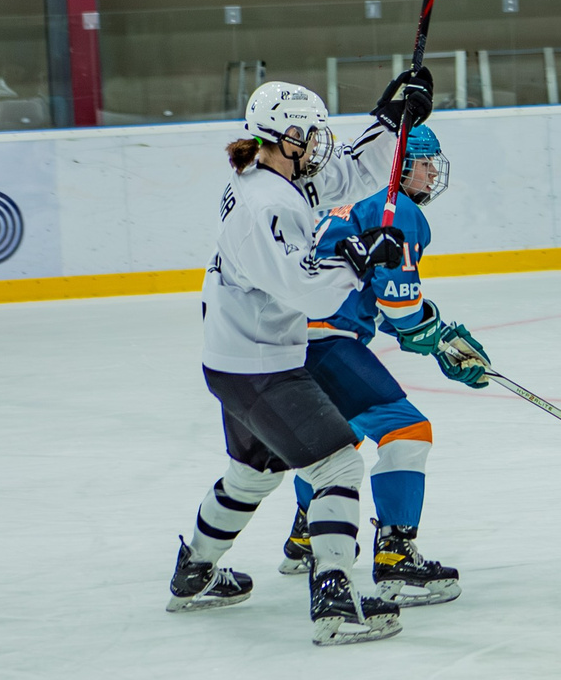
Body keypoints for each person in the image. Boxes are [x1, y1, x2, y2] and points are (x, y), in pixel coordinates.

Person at [166, 68, 432, 646]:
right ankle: (335, 601)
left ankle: (194, 571)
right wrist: (360, 255)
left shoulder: (274, 175)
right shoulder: (267, 204)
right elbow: (307, 290)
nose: (318, 145)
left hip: (235, 358)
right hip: (261, 365)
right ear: (287, 138)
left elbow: (353, 174)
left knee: (253, 473)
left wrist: (392, 122)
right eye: (310, 135)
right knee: (338, 467)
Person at [273, 122, 493, 605]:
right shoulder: (398, 208)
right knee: (407, 431)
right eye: (423, 163)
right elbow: (401, 309)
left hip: (283, 342)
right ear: (399, 165)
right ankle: (396, 554)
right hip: (327, 343)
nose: (432, 173)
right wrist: (435, 338)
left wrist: (435, 335)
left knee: (339, 437)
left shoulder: (340, 199)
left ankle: (306, 534)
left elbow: (373, 295)